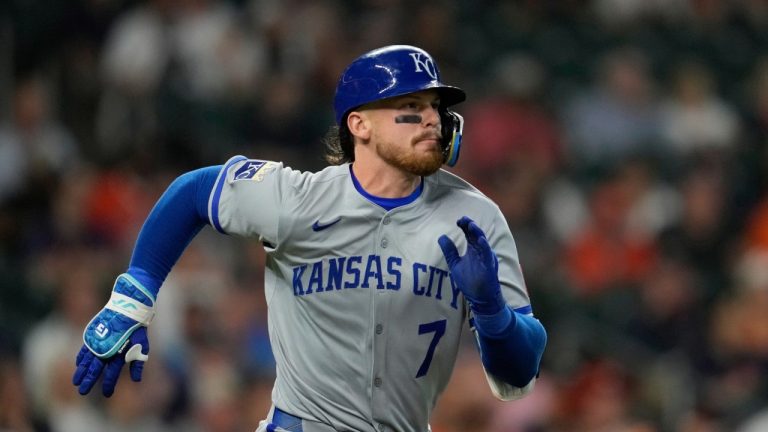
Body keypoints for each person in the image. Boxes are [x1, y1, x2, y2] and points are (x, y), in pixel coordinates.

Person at [72, 45, 547, 432]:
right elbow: (194, 191)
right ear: (359, 125)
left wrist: (493, 313)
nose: (432, 120)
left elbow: (519, 373)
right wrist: (132, 296)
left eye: (436, 108)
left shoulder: (476, 217)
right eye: (410, 106)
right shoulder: (300, 199)